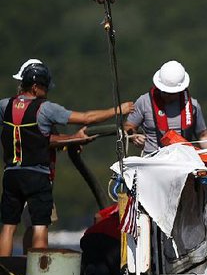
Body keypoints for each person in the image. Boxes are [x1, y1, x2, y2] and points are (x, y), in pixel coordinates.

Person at [0, 60, 133, 256]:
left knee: (8, 227)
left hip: (11, 174)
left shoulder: (5, 105)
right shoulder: (45, 109)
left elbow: (40, 136)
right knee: (39, 226)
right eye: (44, 87)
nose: (46, 91)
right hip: (37, 175)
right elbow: (86, 118)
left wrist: (71, 139)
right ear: (35, 87)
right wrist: (118, 110)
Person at [124, 60, 207, 155]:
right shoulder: (144, 101)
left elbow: (203, 135)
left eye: (171, 93)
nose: (167, 95)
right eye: (164, 91)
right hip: (152, 161)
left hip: (185, 161)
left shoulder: (193, 105)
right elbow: (128, 128)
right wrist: (133, 136)